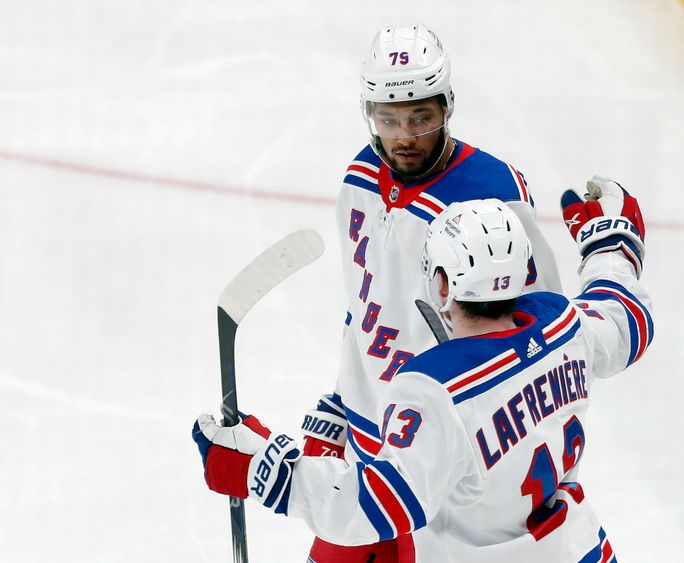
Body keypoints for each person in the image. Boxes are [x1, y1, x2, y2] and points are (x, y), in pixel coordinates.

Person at [192, 177, 654, 562]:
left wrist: (265, 469)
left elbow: (377, 504)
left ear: (441, 283)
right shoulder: (566, 327)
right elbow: (623, 316)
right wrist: (612, 245)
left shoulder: (438, 389)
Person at [298, 23, 562, 560]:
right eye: (388, 118)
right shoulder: (358, 178)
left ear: (446, 107)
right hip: (369, 449)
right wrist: (340, 404)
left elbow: (535, 330)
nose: (404, 135)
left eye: (421, 116)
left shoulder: (492, 194)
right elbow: (364, 308)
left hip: (445, 463)